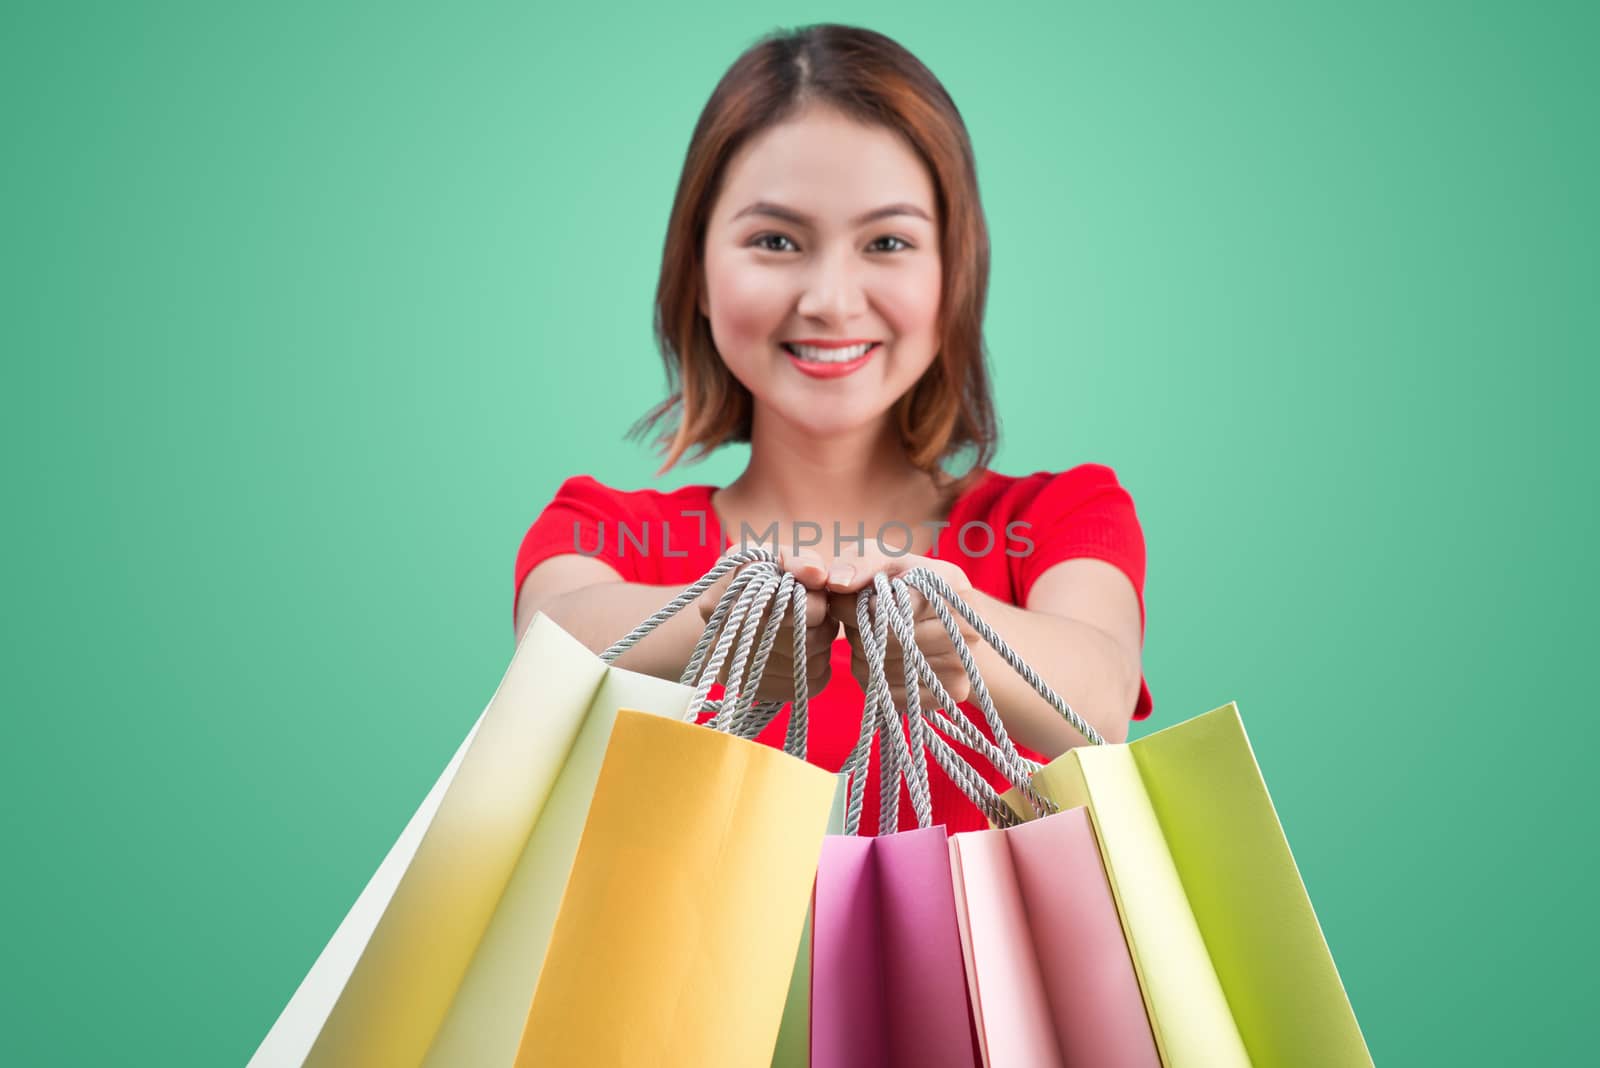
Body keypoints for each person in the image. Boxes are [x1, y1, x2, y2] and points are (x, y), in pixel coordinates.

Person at [512, 23, 1151, 835]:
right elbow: (550, 648)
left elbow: (1101, 700)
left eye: (887, 241)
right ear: (698, 273)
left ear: (953, 274)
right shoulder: (605, 531)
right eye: (775, 240)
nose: (831, 300)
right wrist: (713, 625)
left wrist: (968, 643)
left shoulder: (1051, 520)